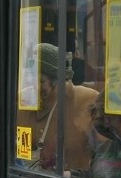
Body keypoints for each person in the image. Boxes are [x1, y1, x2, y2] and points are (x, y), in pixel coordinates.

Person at [18, 43, 98, 171]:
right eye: (31, 80)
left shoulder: (86, 99)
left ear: (57, 79)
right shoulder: (22, 100)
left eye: (41, 81)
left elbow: (105, 150)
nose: (35, 87)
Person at [68, 83, 121, 178]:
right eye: (104, 118)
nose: (106, 124)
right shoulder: (106, 147)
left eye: (111, 117)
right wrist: (71, 176)